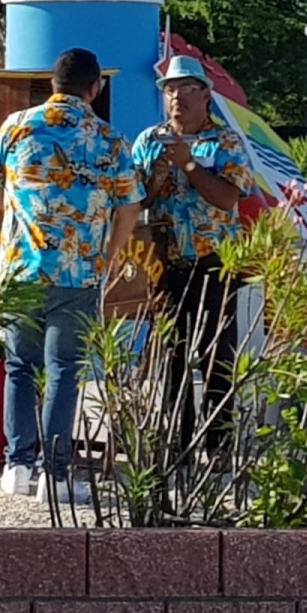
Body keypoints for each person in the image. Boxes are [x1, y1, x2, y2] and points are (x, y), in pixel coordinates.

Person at [0, 47, 143, 502]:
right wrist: (107, 252)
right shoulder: (110, 140)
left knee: (19, 366)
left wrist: (25, 214)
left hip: (22, 268)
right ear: (96, 87)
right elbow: (130, 205)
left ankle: (17, 466)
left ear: (53, 83)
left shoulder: (16, 126)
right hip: (80, 270)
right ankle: (56, 472)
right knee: (65, 370)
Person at [131, 55, 253, 458]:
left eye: (185, 89)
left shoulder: (226, 142)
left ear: (205, 95)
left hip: (215, 261)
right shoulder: (150, 140)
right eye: (170, 89)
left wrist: (188, 164)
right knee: (172, 353)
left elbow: (228, 198)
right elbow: (133, 203)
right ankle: (177, 442)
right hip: (165, 264)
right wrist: (157, 176)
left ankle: (217, 445)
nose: (176, 97)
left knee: (218, 353)